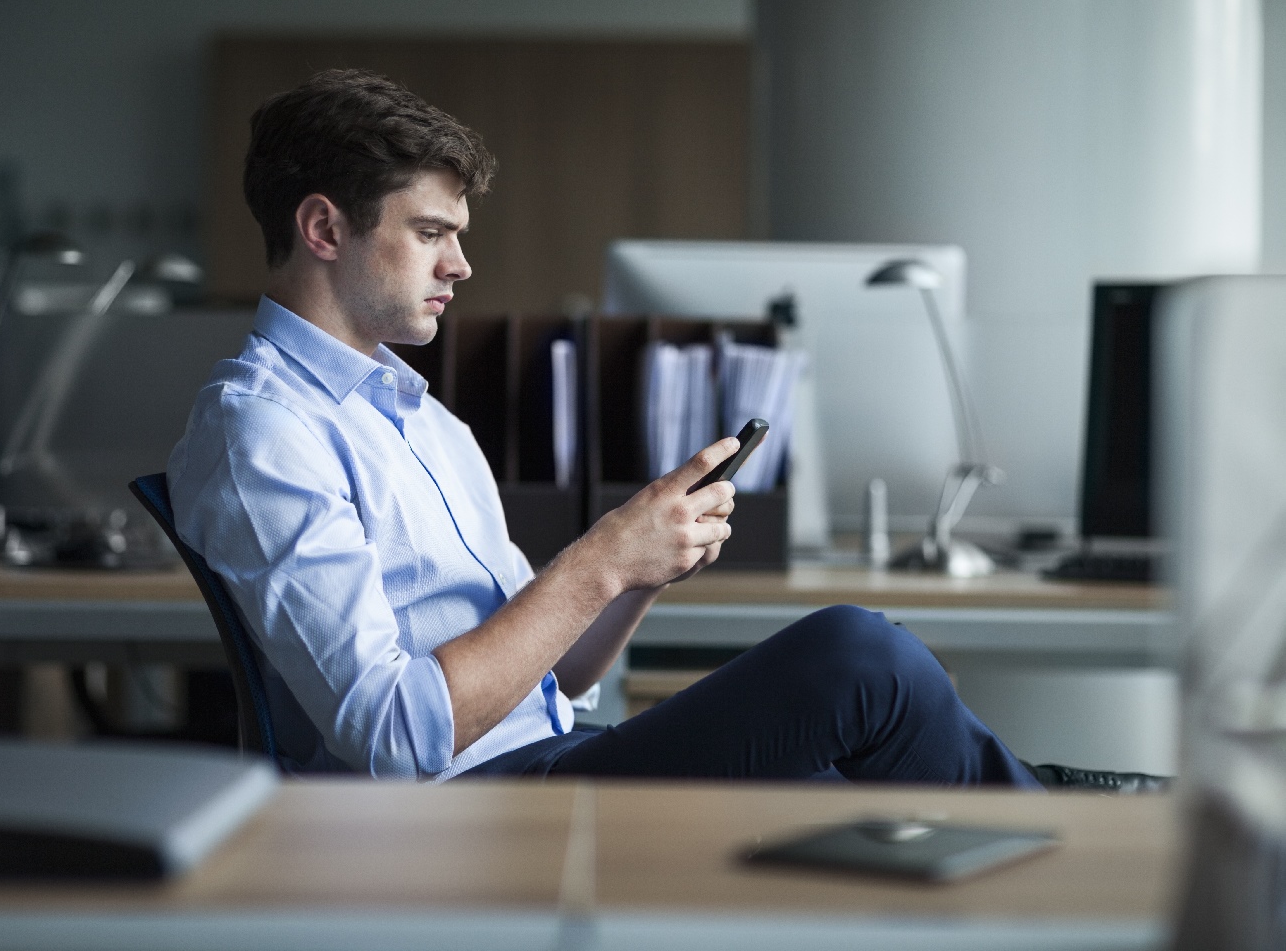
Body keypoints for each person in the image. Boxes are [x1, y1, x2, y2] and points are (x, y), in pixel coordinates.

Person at [168, 69, 1163, 791]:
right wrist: (599, 562)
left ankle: (1047, 819)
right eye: (432, 233)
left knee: (851, 786)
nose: (460, 266)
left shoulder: (419, 417)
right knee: (860, 660)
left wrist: (642, 566)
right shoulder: (262, 430)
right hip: (464, 816)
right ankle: (1070, 843)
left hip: (546, 757)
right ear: (325, 230)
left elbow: (559, 673)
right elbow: (393, 733)